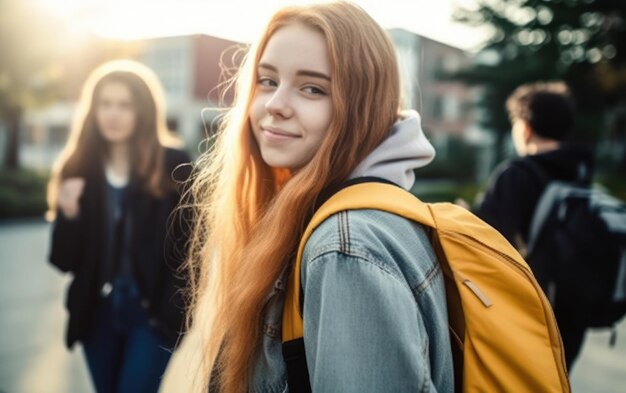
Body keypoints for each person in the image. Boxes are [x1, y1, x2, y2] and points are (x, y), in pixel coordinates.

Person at [182, 2, 453, 392]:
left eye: (313, 88)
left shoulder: (346, 246)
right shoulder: (338, 215)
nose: (275, 105)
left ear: (361, 106)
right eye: (267, 80)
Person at [47, 60, 191, 392]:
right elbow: (63, 260)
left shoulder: (174, 164)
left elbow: (191, 250)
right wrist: (68, 214)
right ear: (92, 110)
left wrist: (171, 315)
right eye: (105, 104)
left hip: (151, 312)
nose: (113, 114)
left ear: (142, 111)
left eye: (124, 105)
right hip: (97, 312)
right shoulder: (78, 166)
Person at [473, 81, 594, 370]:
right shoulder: (580, 172)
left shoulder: (516, 174)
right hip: (572, 312)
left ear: (525, 127)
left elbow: (483, 247)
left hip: (529, 311)